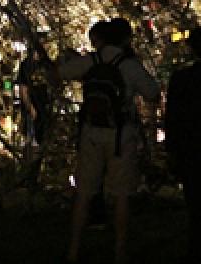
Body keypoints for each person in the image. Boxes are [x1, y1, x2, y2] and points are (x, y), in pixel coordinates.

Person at [54, 20, 159, 264]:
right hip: (121, 135)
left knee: (84, 193)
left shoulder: (91, 61)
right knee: (122, 194)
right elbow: (152, 92)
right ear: (125, 39)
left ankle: (73, 249)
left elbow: (57, 74)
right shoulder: (129, 65)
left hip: (91, 133)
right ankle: (119, 251)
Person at [166, 26, 201, 264]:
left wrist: (173, 150)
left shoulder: (181, 79)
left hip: (192, 147)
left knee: (195, 203)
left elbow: (173, 118)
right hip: (191, 146)